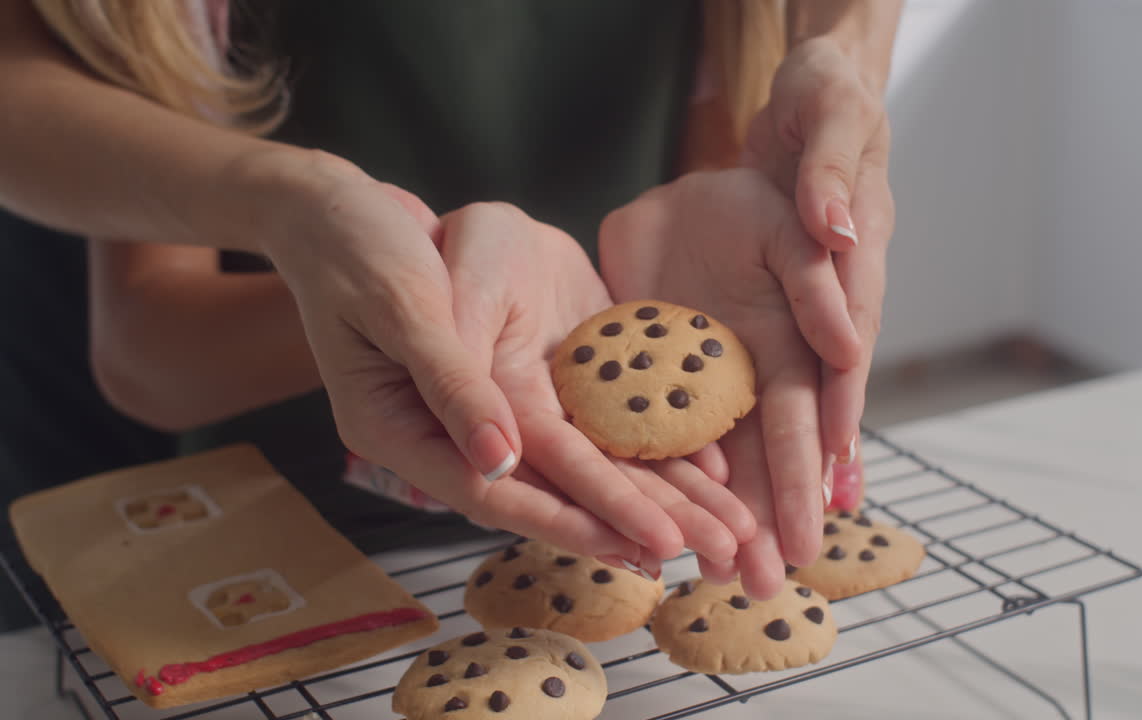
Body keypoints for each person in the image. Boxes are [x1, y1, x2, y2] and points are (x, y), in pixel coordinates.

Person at [0, 0, 899, 629]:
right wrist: (315, 226)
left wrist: (838, 56)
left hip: (619, 529)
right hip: (276, 546)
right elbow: (150, 350)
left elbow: (741, 116)